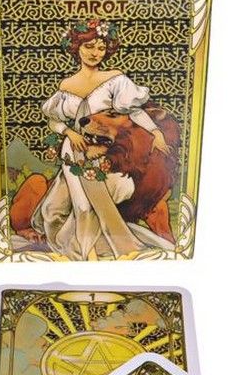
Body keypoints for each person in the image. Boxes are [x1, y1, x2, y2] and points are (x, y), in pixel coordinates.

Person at [35, 19, 172, 259]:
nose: (95, 53)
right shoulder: (66, 85)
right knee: (82, 205)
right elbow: (53, 121)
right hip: (73, 149)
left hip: (103, 149)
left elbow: (133, 112)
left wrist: (156, 131)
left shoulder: (115, 79)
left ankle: (96, 249)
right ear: (76, 47)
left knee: (100, 201)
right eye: (89, 46)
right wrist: (69, 132)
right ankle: (86, 255)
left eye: (100, 48)